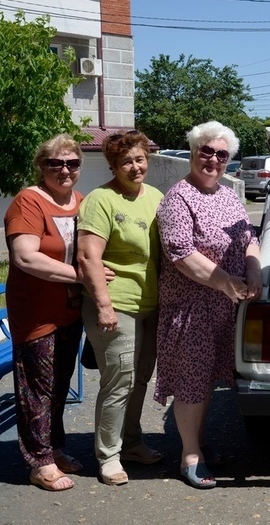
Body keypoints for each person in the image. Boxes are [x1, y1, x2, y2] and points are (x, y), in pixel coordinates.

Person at [154, 121, 261, 489]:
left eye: (221, 154)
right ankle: (189, 457)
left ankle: (197, 444)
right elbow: (181, 253)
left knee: (209, 383)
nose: (213, 160)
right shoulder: (178, 198)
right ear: (193, 151)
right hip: (191, 309)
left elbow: (249, 237)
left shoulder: (229, 196)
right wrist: (226, 282)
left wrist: (253, 269)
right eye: (206, 151)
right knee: (191, 384)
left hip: (225, 308)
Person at [3, 135, 90, 491]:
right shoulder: (29, 201)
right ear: (42, 166)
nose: (65, 170)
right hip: (37, 313)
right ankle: (39, 462)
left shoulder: (79, 201)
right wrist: (82, 275)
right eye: (56, 163)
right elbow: (25, 256)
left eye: (72, 163)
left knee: (58, 385)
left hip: (70, 311)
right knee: (37, 388)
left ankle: (54, 448)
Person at [77, 129, 164, 486]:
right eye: (126, 160)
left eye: (140, 158)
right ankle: (108, 456)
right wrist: (104, 307)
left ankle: (130, 443)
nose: (135, 166)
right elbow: (87, 257)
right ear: (113, 165)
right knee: (118, 382)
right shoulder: (101, 200)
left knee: (139, 379)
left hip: (151, 305)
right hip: (116, 307)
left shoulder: (157, 196)